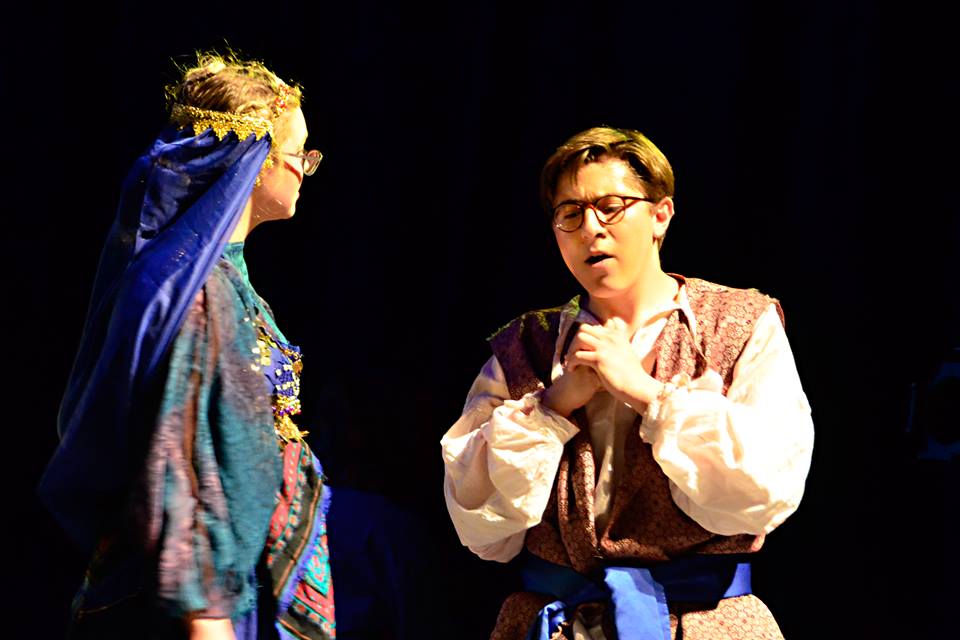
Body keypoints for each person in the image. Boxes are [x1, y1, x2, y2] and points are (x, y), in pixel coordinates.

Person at [441, 127, 814, 639]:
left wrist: (643, 391)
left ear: (660, 215)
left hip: (703, 621)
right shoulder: (526, 346)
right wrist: (553, 405)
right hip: (559, 622)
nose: (590, 228)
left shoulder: (738, 323)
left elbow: (768, 486)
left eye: (610, 207)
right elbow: (478, 523)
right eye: (570, 213)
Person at [39, 54, 334, 639]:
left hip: (239, 579)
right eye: (299, 152)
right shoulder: (199, 291)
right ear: (255, 160)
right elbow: (178, 449)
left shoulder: (223, 281)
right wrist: (208, 616)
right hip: (206, 607)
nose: (305, 169)